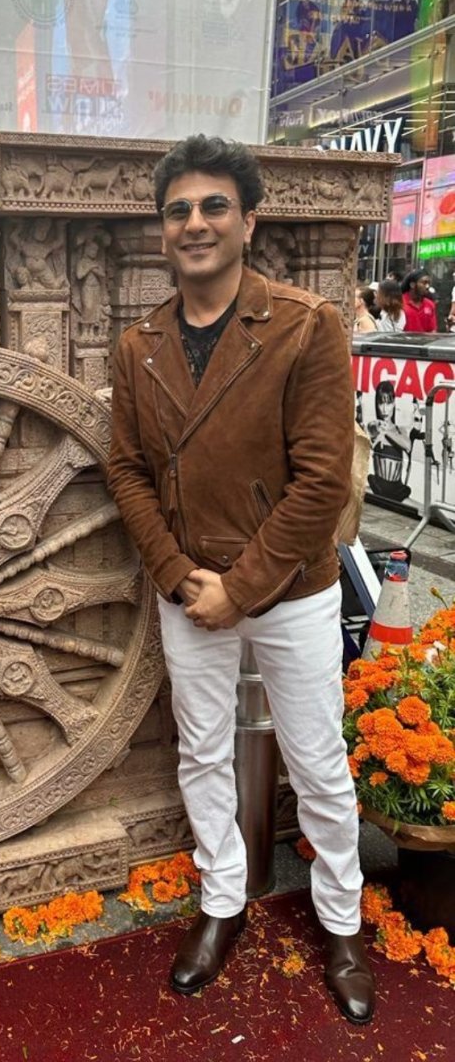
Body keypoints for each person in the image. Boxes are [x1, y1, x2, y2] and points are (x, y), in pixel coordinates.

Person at [107, 134, 374, 1025]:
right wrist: (181, 574)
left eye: (214, 206)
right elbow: (127, 472)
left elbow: (322, 481)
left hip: (290, 590)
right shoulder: (138, 343)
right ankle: (223, 901)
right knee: (201, 752)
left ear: (248, 221)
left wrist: (239, 586)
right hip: (188, 591)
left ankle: (342, 921)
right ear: (162, 230)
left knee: (319, 762)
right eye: (178, 209)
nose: (195, 223)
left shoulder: (306, 324)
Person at [401, 268, 437, 332]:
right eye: (424, 283)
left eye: (429, 283)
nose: (427, 286)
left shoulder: (430, 304)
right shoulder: (399, 302)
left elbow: (432, 330)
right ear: (412, 284)